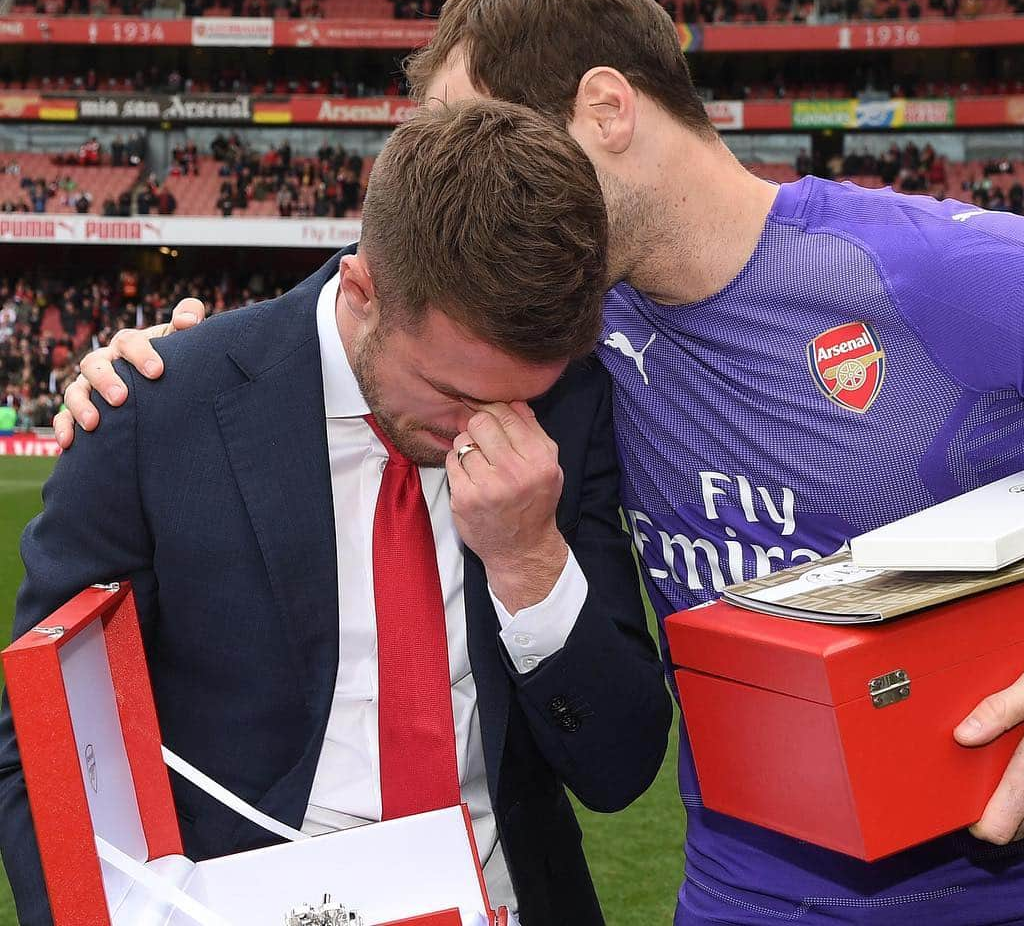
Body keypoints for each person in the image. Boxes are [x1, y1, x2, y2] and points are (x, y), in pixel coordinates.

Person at [58, 0, 1024, 926]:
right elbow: (364, 314)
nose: (467, 178)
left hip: (1020, 885)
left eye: (493, 136)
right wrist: (163, 368)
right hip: (744, 890)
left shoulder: (943, 276)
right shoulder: (567, 340)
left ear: (605, 109)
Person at [1, 101, 671, 926]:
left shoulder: (569, 413)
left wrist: (530, 559)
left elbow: (618, 767)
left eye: (519, 396)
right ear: (362, 289)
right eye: (453, 392)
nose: (486, 427)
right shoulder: (157, 411)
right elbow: (43, 749)